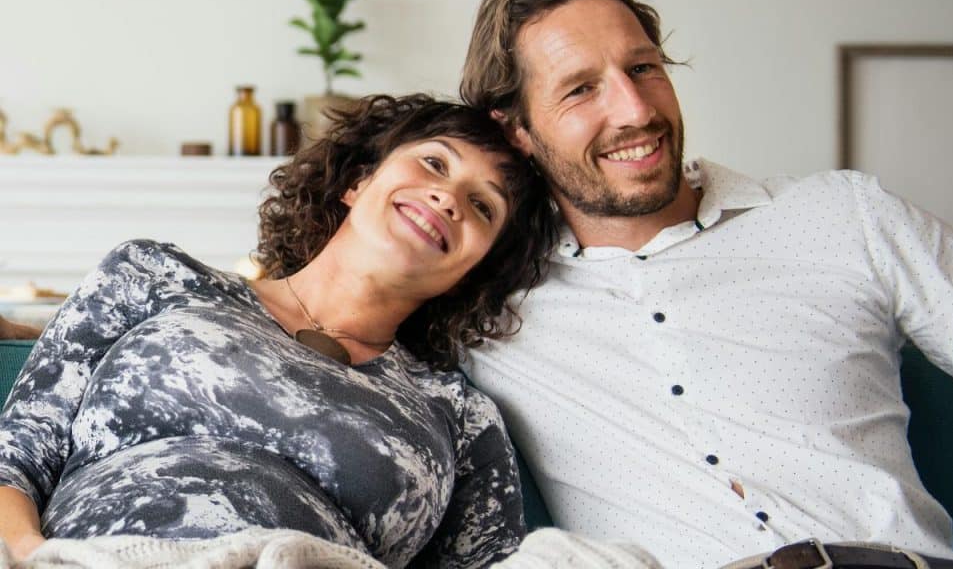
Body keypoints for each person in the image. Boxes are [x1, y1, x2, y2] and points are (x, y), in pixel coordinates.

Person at [459, 0, 953, 568]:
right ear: (516, 131)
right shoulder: (485, 305)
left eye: (643, 68)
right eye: (581, 89)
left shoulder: (843, 216)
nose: (635, 111)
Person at [0, 94, 558, 568]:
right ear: (358, 183)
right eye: (435, 164)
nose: (448, 198)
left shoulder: (458, 415)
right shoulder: (152, 275)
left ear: (472, 272)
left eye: (483, 206)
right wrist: (28, 555)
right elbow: (14, 460)